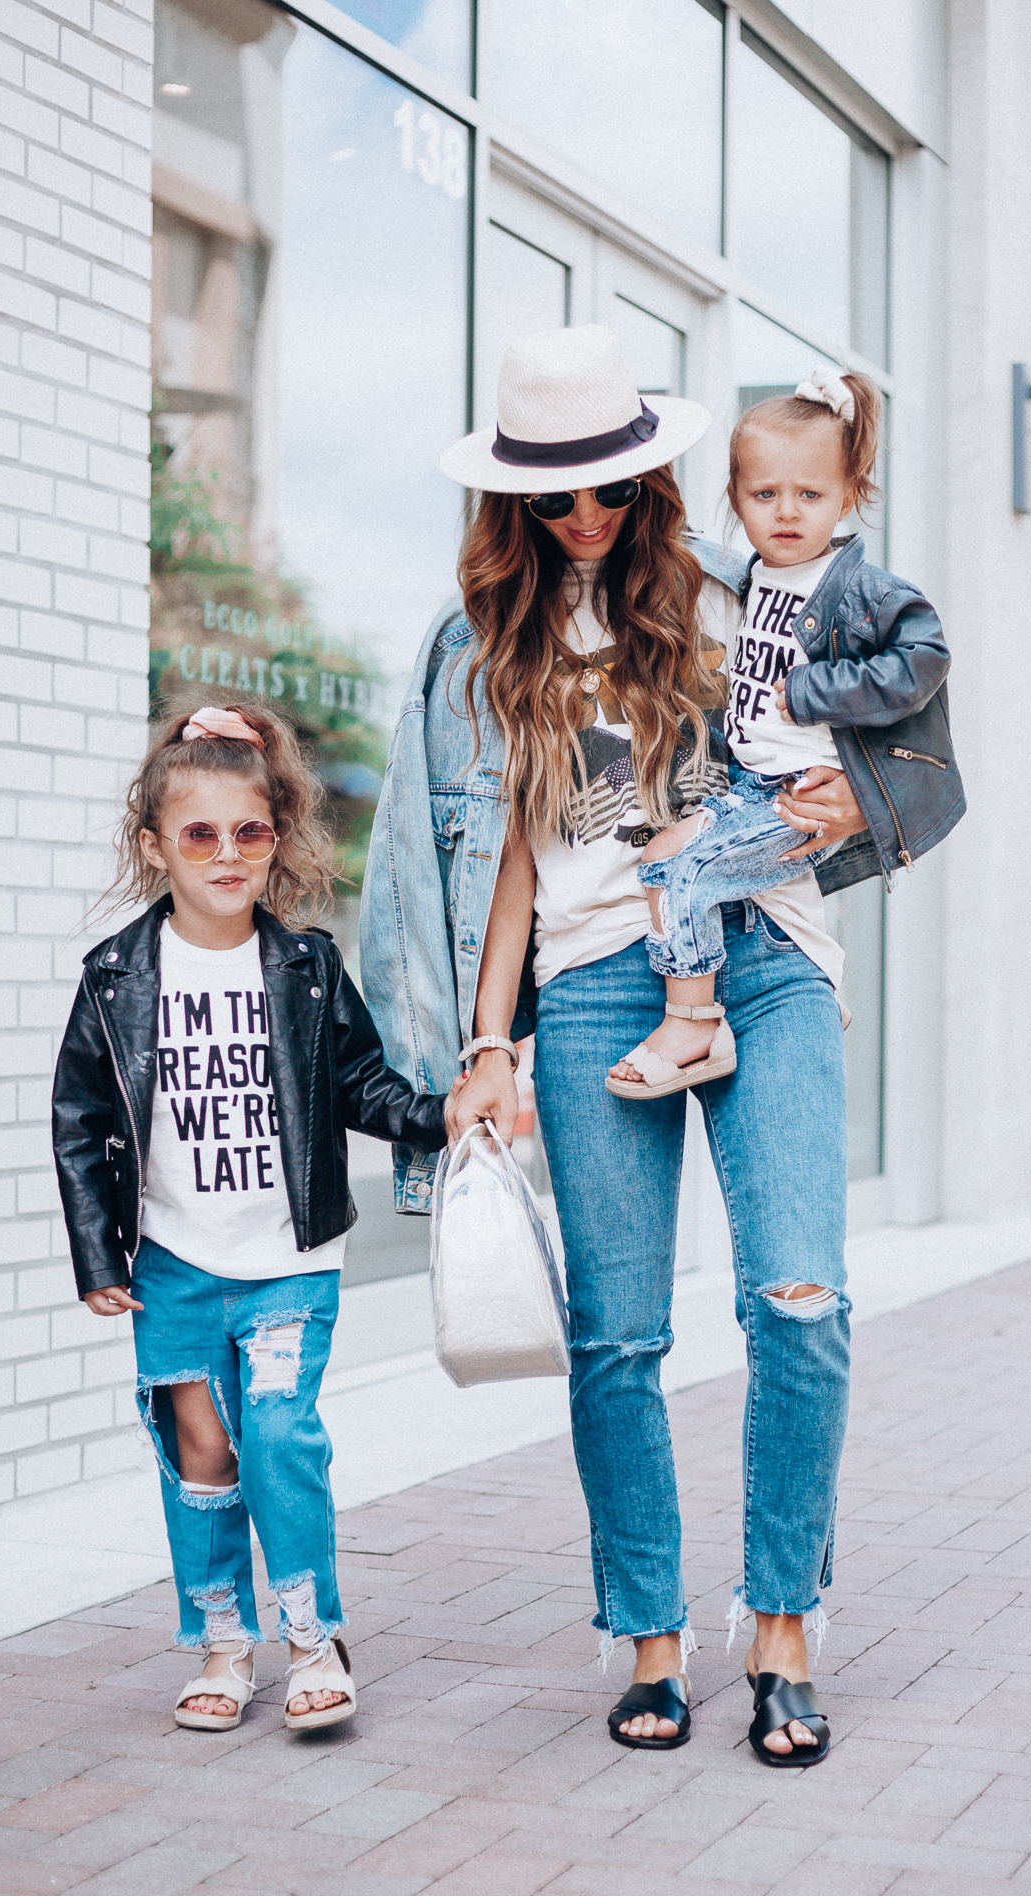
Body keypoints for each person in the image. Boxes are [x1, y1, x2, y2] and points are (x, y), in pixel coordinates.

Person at [362, 324, 936, 1766]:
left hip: (767, 962)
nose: (583, 519)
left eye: (608, 487)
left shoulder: (751, 596)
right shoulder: (484, 642)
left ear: (655, 474)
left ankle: (786, 1623)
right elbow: (496, 857)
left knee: (800, 1299)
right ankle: (650, 1638)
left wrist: (855, 809)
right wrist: (485, 1041)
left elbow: (901, 754)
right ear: (513, 506)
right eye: (551, 499)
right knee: (618, 1341)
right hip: (598, 981)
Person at [52, 695, 449, 1733]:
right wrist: (99, 1249)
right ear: (156, 846)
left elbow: (364, 1086)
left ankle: (312, 1635)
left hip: (287, 1259)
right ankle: (225, 1641)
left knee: (276, 1431)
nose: (227, 854)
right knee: (201, 1457)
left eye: (250, 831)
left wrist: (447, 1112)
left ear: (279, 837)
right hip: (172, 1264)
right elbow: (80, 1120)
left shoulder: (309, 968)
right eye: (199, 833)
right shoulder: (114, 977)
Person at [608, 367, 948, 1100]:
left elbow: (925, 658)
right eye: (766, 495)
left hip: (795, 798)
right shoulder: (755, 577)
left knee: (682, 873)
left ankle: (696, 1022)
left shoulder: (858, 587)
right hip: (752, 787)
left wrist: (813, 690)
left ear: (849, 498)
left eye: (811, 495)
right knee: (665, 854)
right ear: (736, 499)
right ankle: (793, 986)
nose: (787, 512)